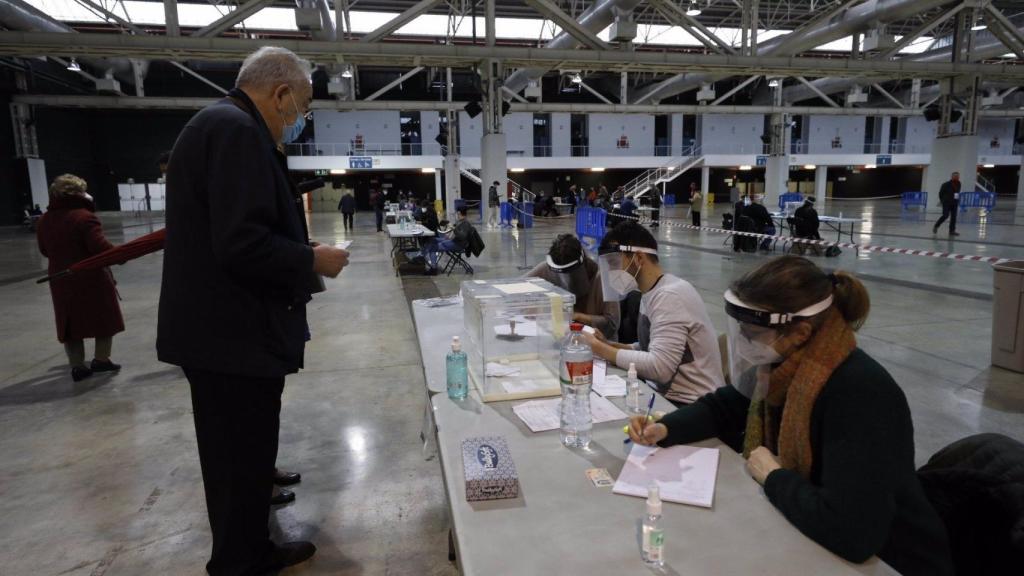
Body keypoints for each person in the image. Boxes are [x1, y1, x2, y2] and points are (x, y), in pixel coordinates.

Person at [626, 256, 954, 576]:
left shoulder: (859, 392)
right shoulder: (781, 367)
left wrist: (774, 476)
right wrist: (665, 427)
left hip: (892, 560)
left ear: (799, 333)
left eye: (752, 333)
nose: (742, 344)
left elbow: (853, 533)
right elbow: (724, 407)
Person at [157, 46, 350, 576]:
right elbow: (242, 243)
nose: (299, 119)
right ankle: (242, 562)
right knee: (238, 460)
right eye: (302, 106)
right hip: (231, 337)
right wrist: (315, 259)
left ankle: (246, 549)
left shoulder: (217, 124)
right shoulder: (237, 131)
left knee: (239, 457)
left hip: (221, 334)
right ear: (281, 92)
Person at [582, 222, 724, 405]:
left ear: (639, 258)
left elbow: (660, 367)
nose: (610, 272)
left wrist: (599, 349)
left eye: (614, 263)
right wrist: (608, 344)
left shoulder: (670, 296)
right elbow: (648, 348)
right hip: (664, 395)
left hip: (692, 403)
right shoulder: (651, 293)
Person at [36, 174, 124, 382]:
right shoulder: (84, 217)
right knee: (104, 318)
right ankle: (101, 360)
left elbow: (44, 250)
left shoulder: (44, 220)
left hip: (61, 278)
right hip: (91, 278)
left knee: (70, 323)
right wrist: (122, 253)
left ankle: (77, 366)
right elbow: (99, 248)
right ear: (78, 194)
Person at [525, 234, 619, 340]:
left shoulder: (603, 278)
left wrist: (578, 316)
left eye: (571, 274)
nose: (565, 281)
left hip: (599, 345)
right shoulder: (548, 268)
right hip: (558, 341)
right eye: (561, 275)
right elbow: (518, 288)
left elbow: (612, 324)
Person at [423, 206, 472, 274]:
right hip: (454, 241)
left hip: (458, 245)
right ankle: (422, 257)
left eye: (457, 214)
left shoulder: (465, 223)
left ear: (459, 213)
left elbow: (462, 236)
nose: (456, 215)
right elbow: (455, 231)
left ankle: (433, 269)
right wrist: (450, 232)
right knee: (432, 240)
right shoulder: (460, 221)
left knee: (433, 247)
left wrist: (453, 229)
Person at [933, 171, 960, 237]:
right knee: (945, 215)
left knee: (954, 217)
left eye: (958, 176)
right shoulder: (945, 184)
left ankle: (952, 231)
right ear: (952, 177)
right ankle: (936, 225)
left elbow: (957, 192)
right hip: (946, 203)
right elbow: (940, 193)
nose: (957, 177)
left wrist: (957, 200)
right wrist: (943, 201)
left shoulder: (959, 183)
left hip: (954, 203)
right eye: (955, 176)